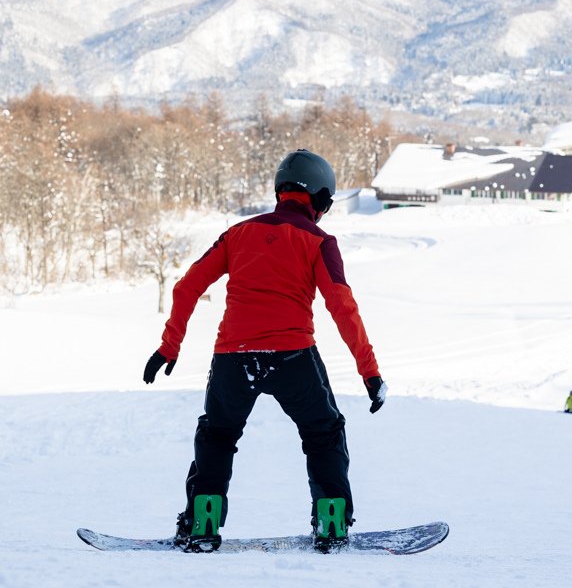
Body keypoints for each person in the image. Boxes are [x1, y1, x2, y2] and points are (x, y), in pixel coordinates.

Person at [142, 149, 388, 552]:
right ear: (320, 199)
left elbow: (187, 287)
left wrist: (170, 346)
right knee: (323, 434)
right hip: (293, 357)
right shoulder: (319, 241)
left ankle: (202, 523)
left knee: (217, 437)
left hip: (232, 359)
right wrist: (370, 372)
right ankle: (330, 523)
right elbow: (342, 306)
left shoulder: (236, 234)